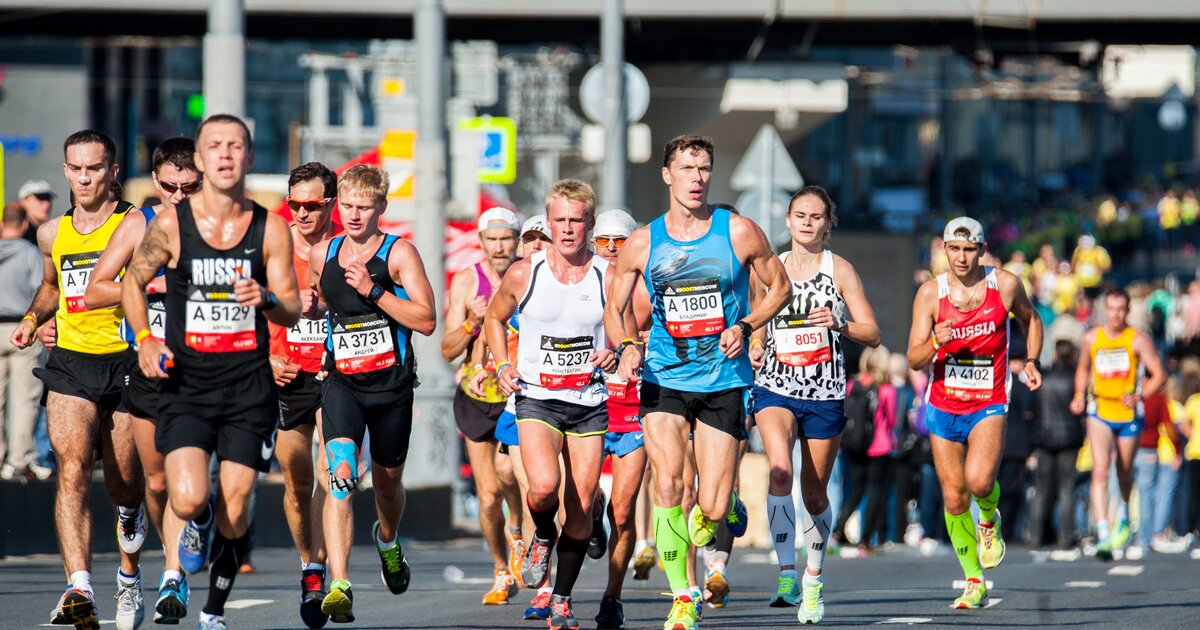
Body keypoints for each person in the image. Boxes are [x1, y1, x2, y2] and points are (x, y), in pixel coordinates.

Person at [603, 135, 792, 630]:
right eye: (687, 169)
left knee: (708, 504)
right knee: (667, 483)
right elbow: (614, 306)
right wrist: (626, 345)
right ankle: (683, 596)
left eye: (705, 169)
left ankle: (722, 502)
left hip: (724, 379)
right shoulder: (643, 241)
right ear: (668, 175)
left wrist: (747, 325)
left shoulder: (739, 232)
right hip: (664, 375)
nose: (697, 178)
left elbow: (781, 287)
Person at [121, 114, 302, 630]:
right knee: (189, 496)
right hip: (187, 384)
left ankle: (214, 611)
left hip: (249, 387)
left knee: (237, 507)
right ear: (199, 160)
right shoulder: (172, 226)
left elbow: (292, 305)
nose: (225, 154)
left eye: (236, 146)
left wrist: (266, 299)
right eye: (214, 146)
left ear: (248, 156)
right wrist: (147, 339)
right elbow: (134, 283)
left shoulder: (271, 229)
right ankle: (196, 523)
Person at [11, 130, 147, 630]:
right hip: (71, 361)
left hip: (126, 362)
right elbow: (51, 287)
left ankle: (129, 573)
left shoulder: (133, 225)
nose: (86, 177)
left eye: (96, 168)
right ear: (66, 171)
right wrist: (31, 318)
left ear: (112, 170)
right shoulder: (51, 233)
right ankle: (79, 586)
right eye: (77, 168)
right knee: (71, 469)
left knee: (124, 483)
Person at [483, 179, 617, 629]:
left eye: (575, 220)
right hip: (537, 397)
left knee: (579, 509)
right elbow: (494, 318)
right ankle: (542, 534)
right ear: (549, 220)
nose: (566, 229)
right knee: (542, 488)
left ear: (590, 225)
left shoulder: (608, 275)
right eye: (558, 219)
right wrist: (503, 365)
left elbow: (629, 328)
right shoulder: (526, 272)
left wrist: (618, 350)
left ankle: (561, 597)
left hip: (589, 401)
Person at [306, 164, 435, 622]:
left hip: (392, 389)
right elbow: (324, 302)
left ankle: (388, 540)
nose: (354, 216)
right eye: (347, 206)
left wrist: (375, 290)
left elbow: (425, 319)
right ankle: (340, 582)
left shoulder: (399, 254)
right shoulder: (324, 253)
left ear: (381, 207)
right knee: (340, 476)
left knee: (386, 486)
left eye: (364, 207)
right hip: (341, 385)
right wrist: (311, 304)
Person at [745, 185, 879, 622]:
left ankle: (814, 579)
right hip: (777, 386)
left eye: (816, 216)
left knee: (814, 493)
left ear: (827, 224)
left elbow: (872, 332)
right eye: (799, 215)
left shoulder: (839, 270)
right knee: (779, 470)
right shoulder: (770, 267)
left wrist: (840, 322)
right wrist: (757, 344)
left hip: (823, 393)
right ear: (787, 220)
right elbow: (757, 316)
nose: (807, 222)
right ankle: (786, 571)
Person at [82, 136, 200, 624]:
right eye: (169, 186)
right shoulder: (139, 223)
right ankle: (129, 577)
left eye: (188, 187)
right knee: (150, 481)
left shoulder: (221, 228)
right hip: (145, 365)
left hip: (203, 369)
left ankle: (174, 574)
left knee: (186, 478)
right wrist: (149, 281)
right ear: (155, 182)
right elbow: (94, 290)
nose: (177, 196)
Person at [907, 216, 1043, 609]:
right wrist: (935, 339)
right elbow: (915, 358)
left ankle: (988, 518)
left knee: (980, 482)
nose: (961, 257)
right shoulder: (931, 294)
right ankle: (973, 580)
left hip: (988, 400)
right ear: (944, 250)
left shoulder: (1006, 285)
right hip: (943, 404)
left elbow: (1032, 319)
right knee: (953, 497)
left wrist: (1031, 359)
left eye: (969, 250)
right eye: (954, 249)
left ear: (982, 250)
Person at [442, 206, 525, 606]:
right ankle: (500, 568)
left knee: (509, 473)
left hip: (519, 394)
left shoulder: (530, 275)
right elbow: (447, 349)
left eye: (505, 238)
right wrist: (472, 323)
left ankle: (520, 534)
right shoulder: (465, 281)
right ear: (481, 242)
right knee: (488, 492)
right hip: (477, 395)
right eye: (491, 240)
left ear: (517, 238)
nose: (498, 246)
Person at [266, 162, 338, 627]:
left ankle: (318, 572)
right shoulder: (273, 245)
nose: (304, 214)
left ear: (330, 203)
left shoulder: (348, 247)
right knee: (296, 483)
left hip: (335, 375)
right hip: (285, 374)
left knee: (333, 476)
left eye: (313, 205)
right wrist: (267, 362)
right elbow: (243, 309)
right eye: (296, 205)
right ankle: (307, 559)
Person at [1070, 287, 1166, 560]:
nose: (1115, 314)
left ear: (1127, 311)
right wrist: (1079, 395)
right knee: (1100, 470)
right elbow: (1082, 368)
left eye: (1120, 309)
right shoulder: (1092, 337)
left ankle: (1122, 511)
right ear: (1104, 310)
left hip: (1128, 415)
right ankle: (1103, 532)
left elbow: (1159, 375)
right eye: (1111, 309)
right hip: (1100, 409)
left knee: (1124, 471)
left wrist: (1139, 394)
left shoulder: (1137, 340)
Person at [589, 208, 651, 630]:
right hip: (590, 408)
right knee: (579, 496)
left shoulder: (652, 287)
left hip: (635, 410)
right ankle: (590, 515)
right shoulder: (581, 281)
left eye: (619, 241)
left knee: (624, 510)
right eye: (603, 241)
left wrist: (647, 342)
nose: (611, 249)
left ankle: (612, 596)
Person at [831, 347, 896, 554]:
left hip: (855, 444)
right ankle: (866, 539)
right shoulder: (886, 388)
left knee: (855, 490)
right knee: (876, 492)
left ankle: (837, 532)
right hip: (879, 446)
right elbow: (893, 419)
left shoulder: (852, 385)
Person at [0, 202, 47, 482]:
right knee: (25, 399)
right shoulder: (30, 253)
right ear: (25, 225)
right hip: (22, 327)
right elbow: (40, 289)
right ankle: (18, 460)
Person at [1028, 341, 1086, 554]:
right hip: (1069, 438)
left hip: (1044, 437)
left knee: (1042, 489)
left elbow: (1032, 408)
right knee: (1067, 489)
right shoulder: (1075, 380)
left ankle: (1035, 536)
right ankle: (1066, 537)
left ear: (1054, 355)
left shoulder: (1044, 377)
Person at [17, 178, 56, 245]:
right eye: (40, 198)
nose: (47, 204)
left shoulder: (46, 232)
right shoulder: (18, 233)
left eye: (48, 199)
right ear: (24, 201)